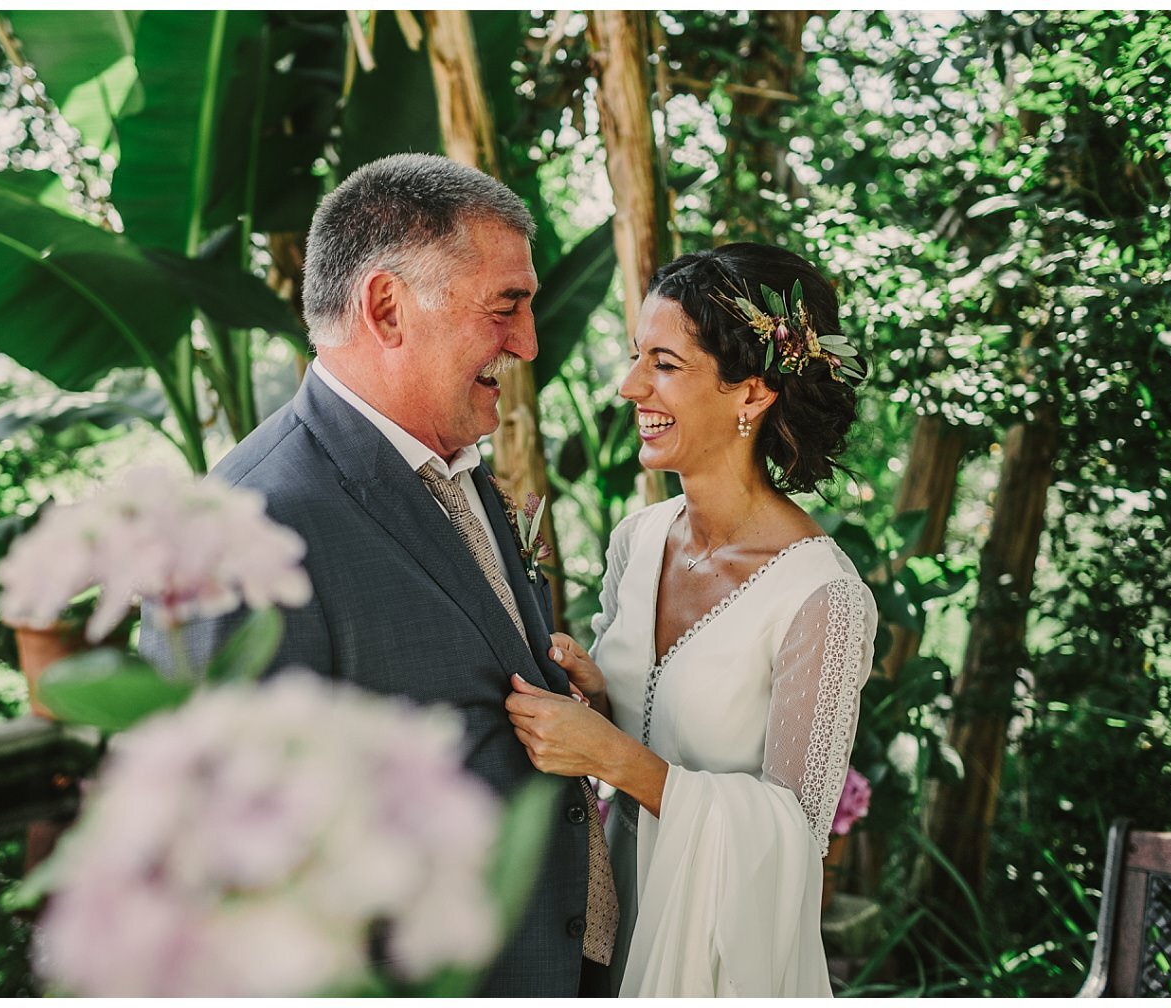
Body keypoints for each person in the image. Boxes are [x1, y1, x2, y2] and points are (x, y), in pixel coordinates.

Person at [142, 153, 608, 996]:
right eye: (507, 307)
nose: (530, 344)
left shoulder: (459, 470)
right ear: (388, 307)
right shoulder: (240, 529)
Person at [505, 243, 878, 997]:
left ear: (753, 393)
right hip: (605, 932)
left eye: (665, 365)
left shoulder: (822, 597)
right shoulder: (636, 542)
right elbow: (643, 726)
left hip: (715, 967)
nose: (629, 385)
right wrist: (596, 697)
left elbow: (791, 845)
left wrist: (611, 756)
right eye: (637, 356)